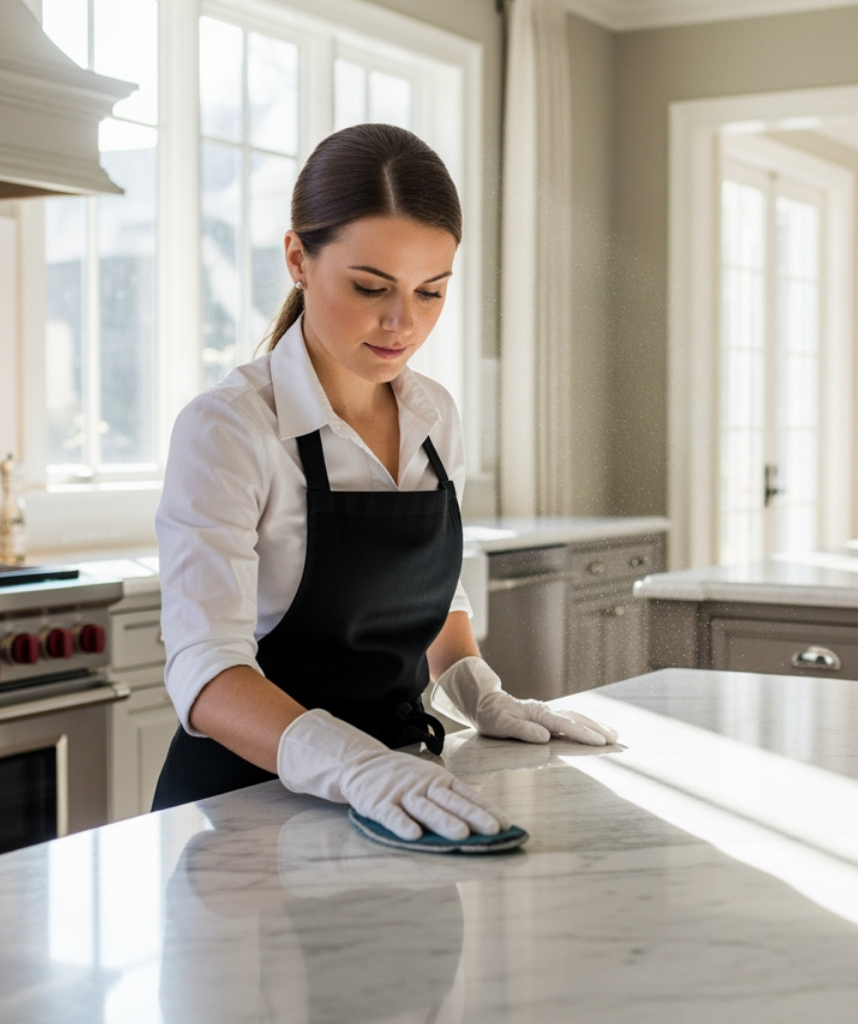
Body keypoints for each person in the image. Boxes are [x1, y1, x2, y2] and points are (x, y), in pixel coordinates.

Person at [150, 123, 616, 839]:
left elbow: (432, 589)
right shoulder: (229, 429)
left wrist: (475, 688)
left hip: (401, 791)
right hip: (244, 811)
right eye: (371, 287)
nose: (403, 323)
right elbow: (206, 670)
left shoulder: (434, 414)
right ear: (298, 259)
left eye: (431, 292)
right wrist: (354, 765)